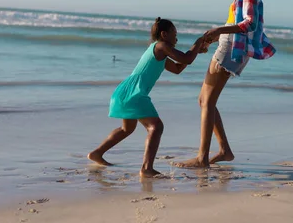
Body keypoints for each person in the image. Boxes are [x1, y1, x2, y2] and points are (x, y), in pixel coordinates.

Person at [175, 0, 276, 168]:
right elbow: (238, 22)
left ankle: (203, 157)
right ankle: (223, 150)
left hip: (232, 49)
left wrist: (218, 31)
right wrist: (215, 37)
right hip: (228, 46)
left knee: (207, 102)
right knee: (204, 101)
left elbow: (249, 23)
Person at [88, 18, 207, 177]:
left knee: (127, 129)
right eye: (175, 34)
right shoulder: (160, 46)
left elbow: (179, 67)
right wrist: (198, 43)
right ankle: (146, 168)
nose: (177, 39)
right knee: (156, 127)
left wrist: (195, 51)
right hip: (134, 93)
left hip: (125, 92)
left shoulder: (159, 52)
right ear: (164, 35)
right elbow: (186, 59)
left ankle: (97, 153)